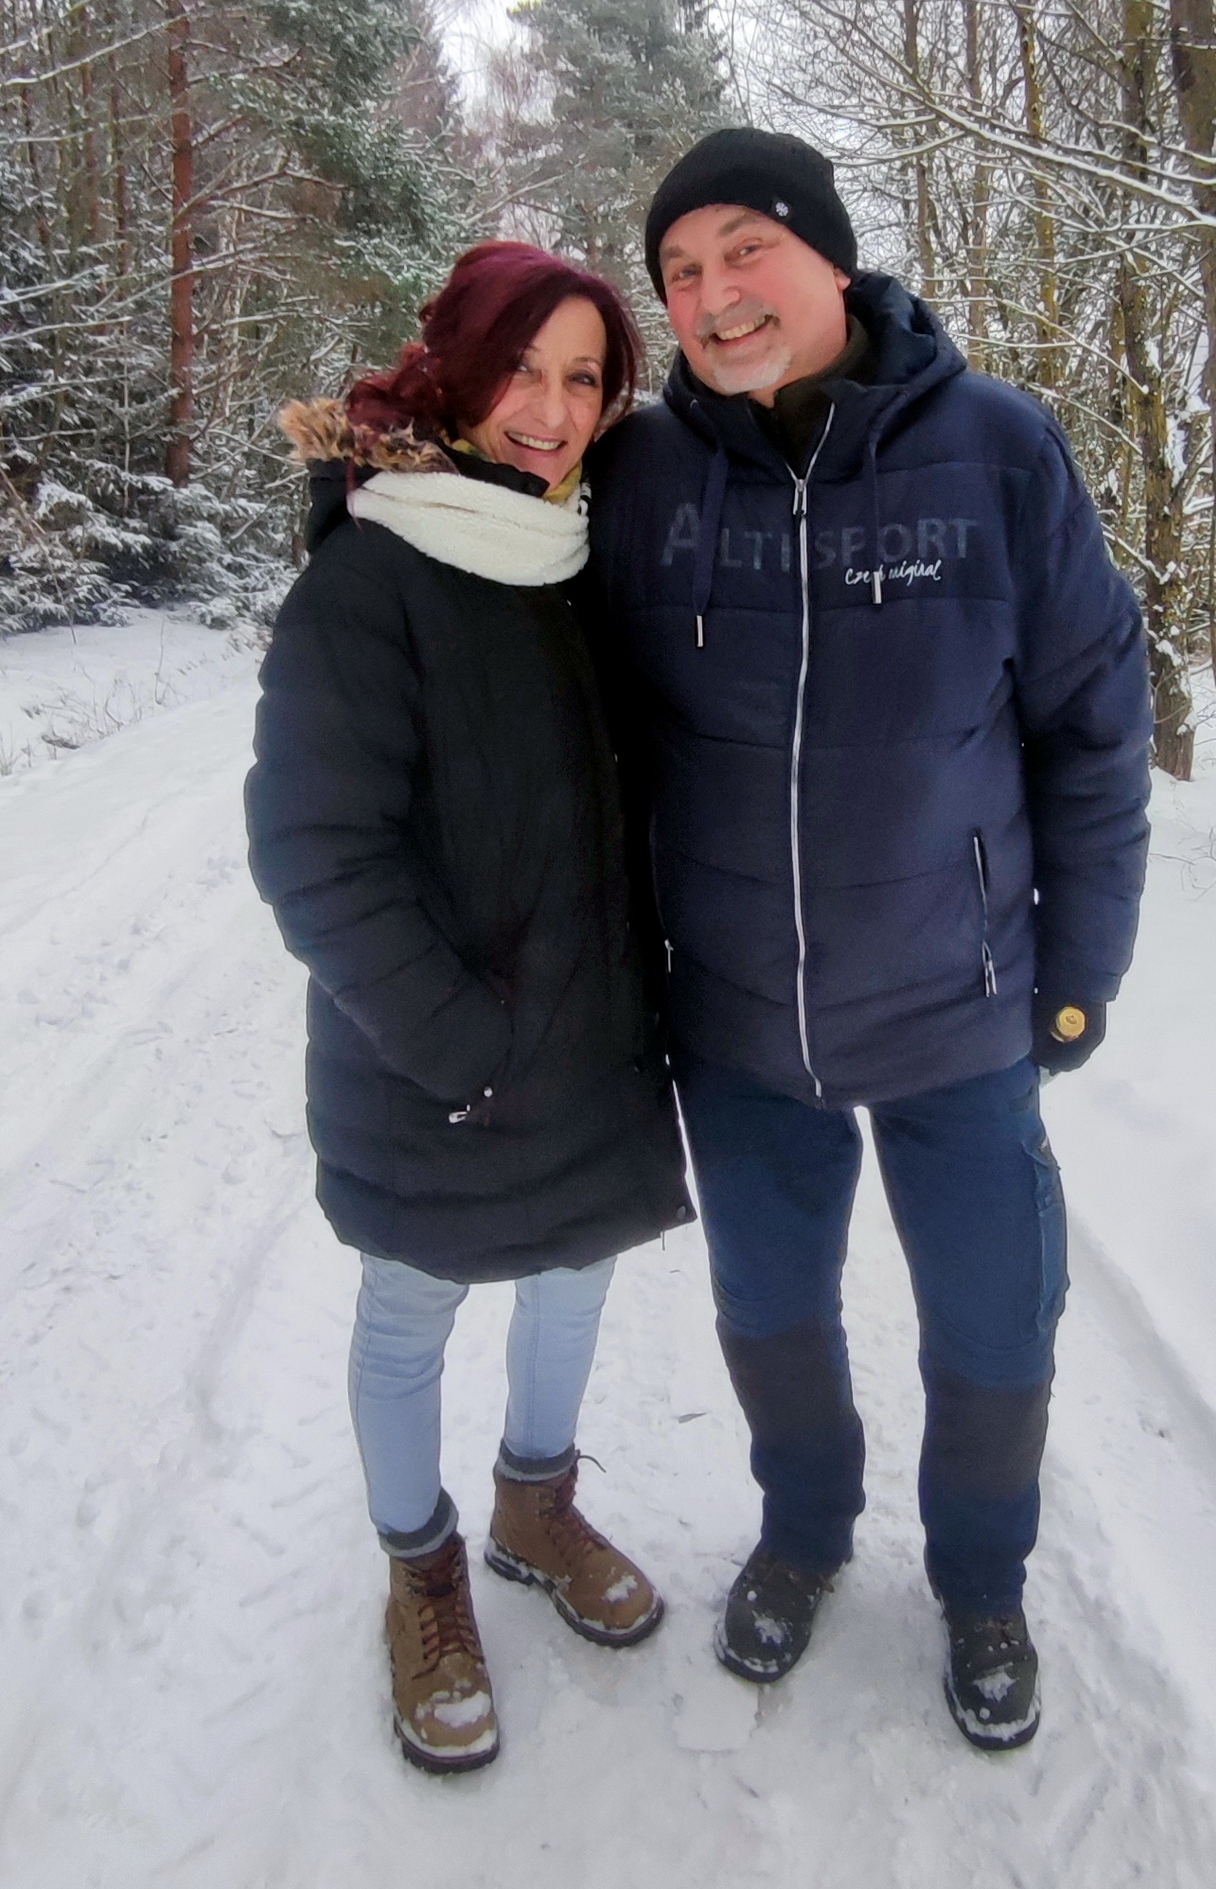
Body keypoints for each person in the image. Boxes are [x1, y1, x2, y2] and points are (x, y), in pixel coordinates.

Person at [584, 129, 1152, 1750]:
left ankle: (982, 1581)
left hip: (960, 1005)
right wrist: (363, 487)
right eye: (680, 271)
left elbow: (1095, 728)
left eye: (743, 250)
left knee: (994, 1322)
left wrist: (1078, 972)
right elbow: (514, 629)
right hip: (738, 1015)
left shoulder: (997, 451)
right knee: (770, 1310)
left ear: (830, 255)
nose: (712, 295)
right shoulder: (643, 475)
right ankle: (804, 1531)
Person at [245, 241, 692, 1775]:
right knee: (410, 1313)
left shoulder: (580, 561)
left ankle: (533, 1508)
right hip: (435, 1062)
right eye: (520, 370)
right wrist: (460, 1047)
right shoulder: (372, 578)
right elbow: (316, 854)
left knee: (575, 1277)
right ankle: (421, 1571)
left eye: (584, 379)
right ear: (453, 371)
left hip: (592, 1042)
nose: (550, 411)